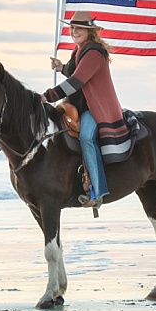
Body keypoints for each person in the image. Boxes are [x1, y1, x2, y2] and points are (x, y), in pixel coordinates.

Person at [46, 11, 128, 207]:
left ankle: (98, 193)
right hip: (80, 105)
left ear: (89, 31)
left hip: (96, 107)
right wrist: (61, 67)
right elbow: (74, 70)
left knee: (86, 137)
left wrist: (46, 97)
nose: (74, 31)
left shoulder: (94, 52)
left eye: (78, 28)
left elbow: (76, 81)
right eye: (72, 28)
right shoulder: (80, 50)